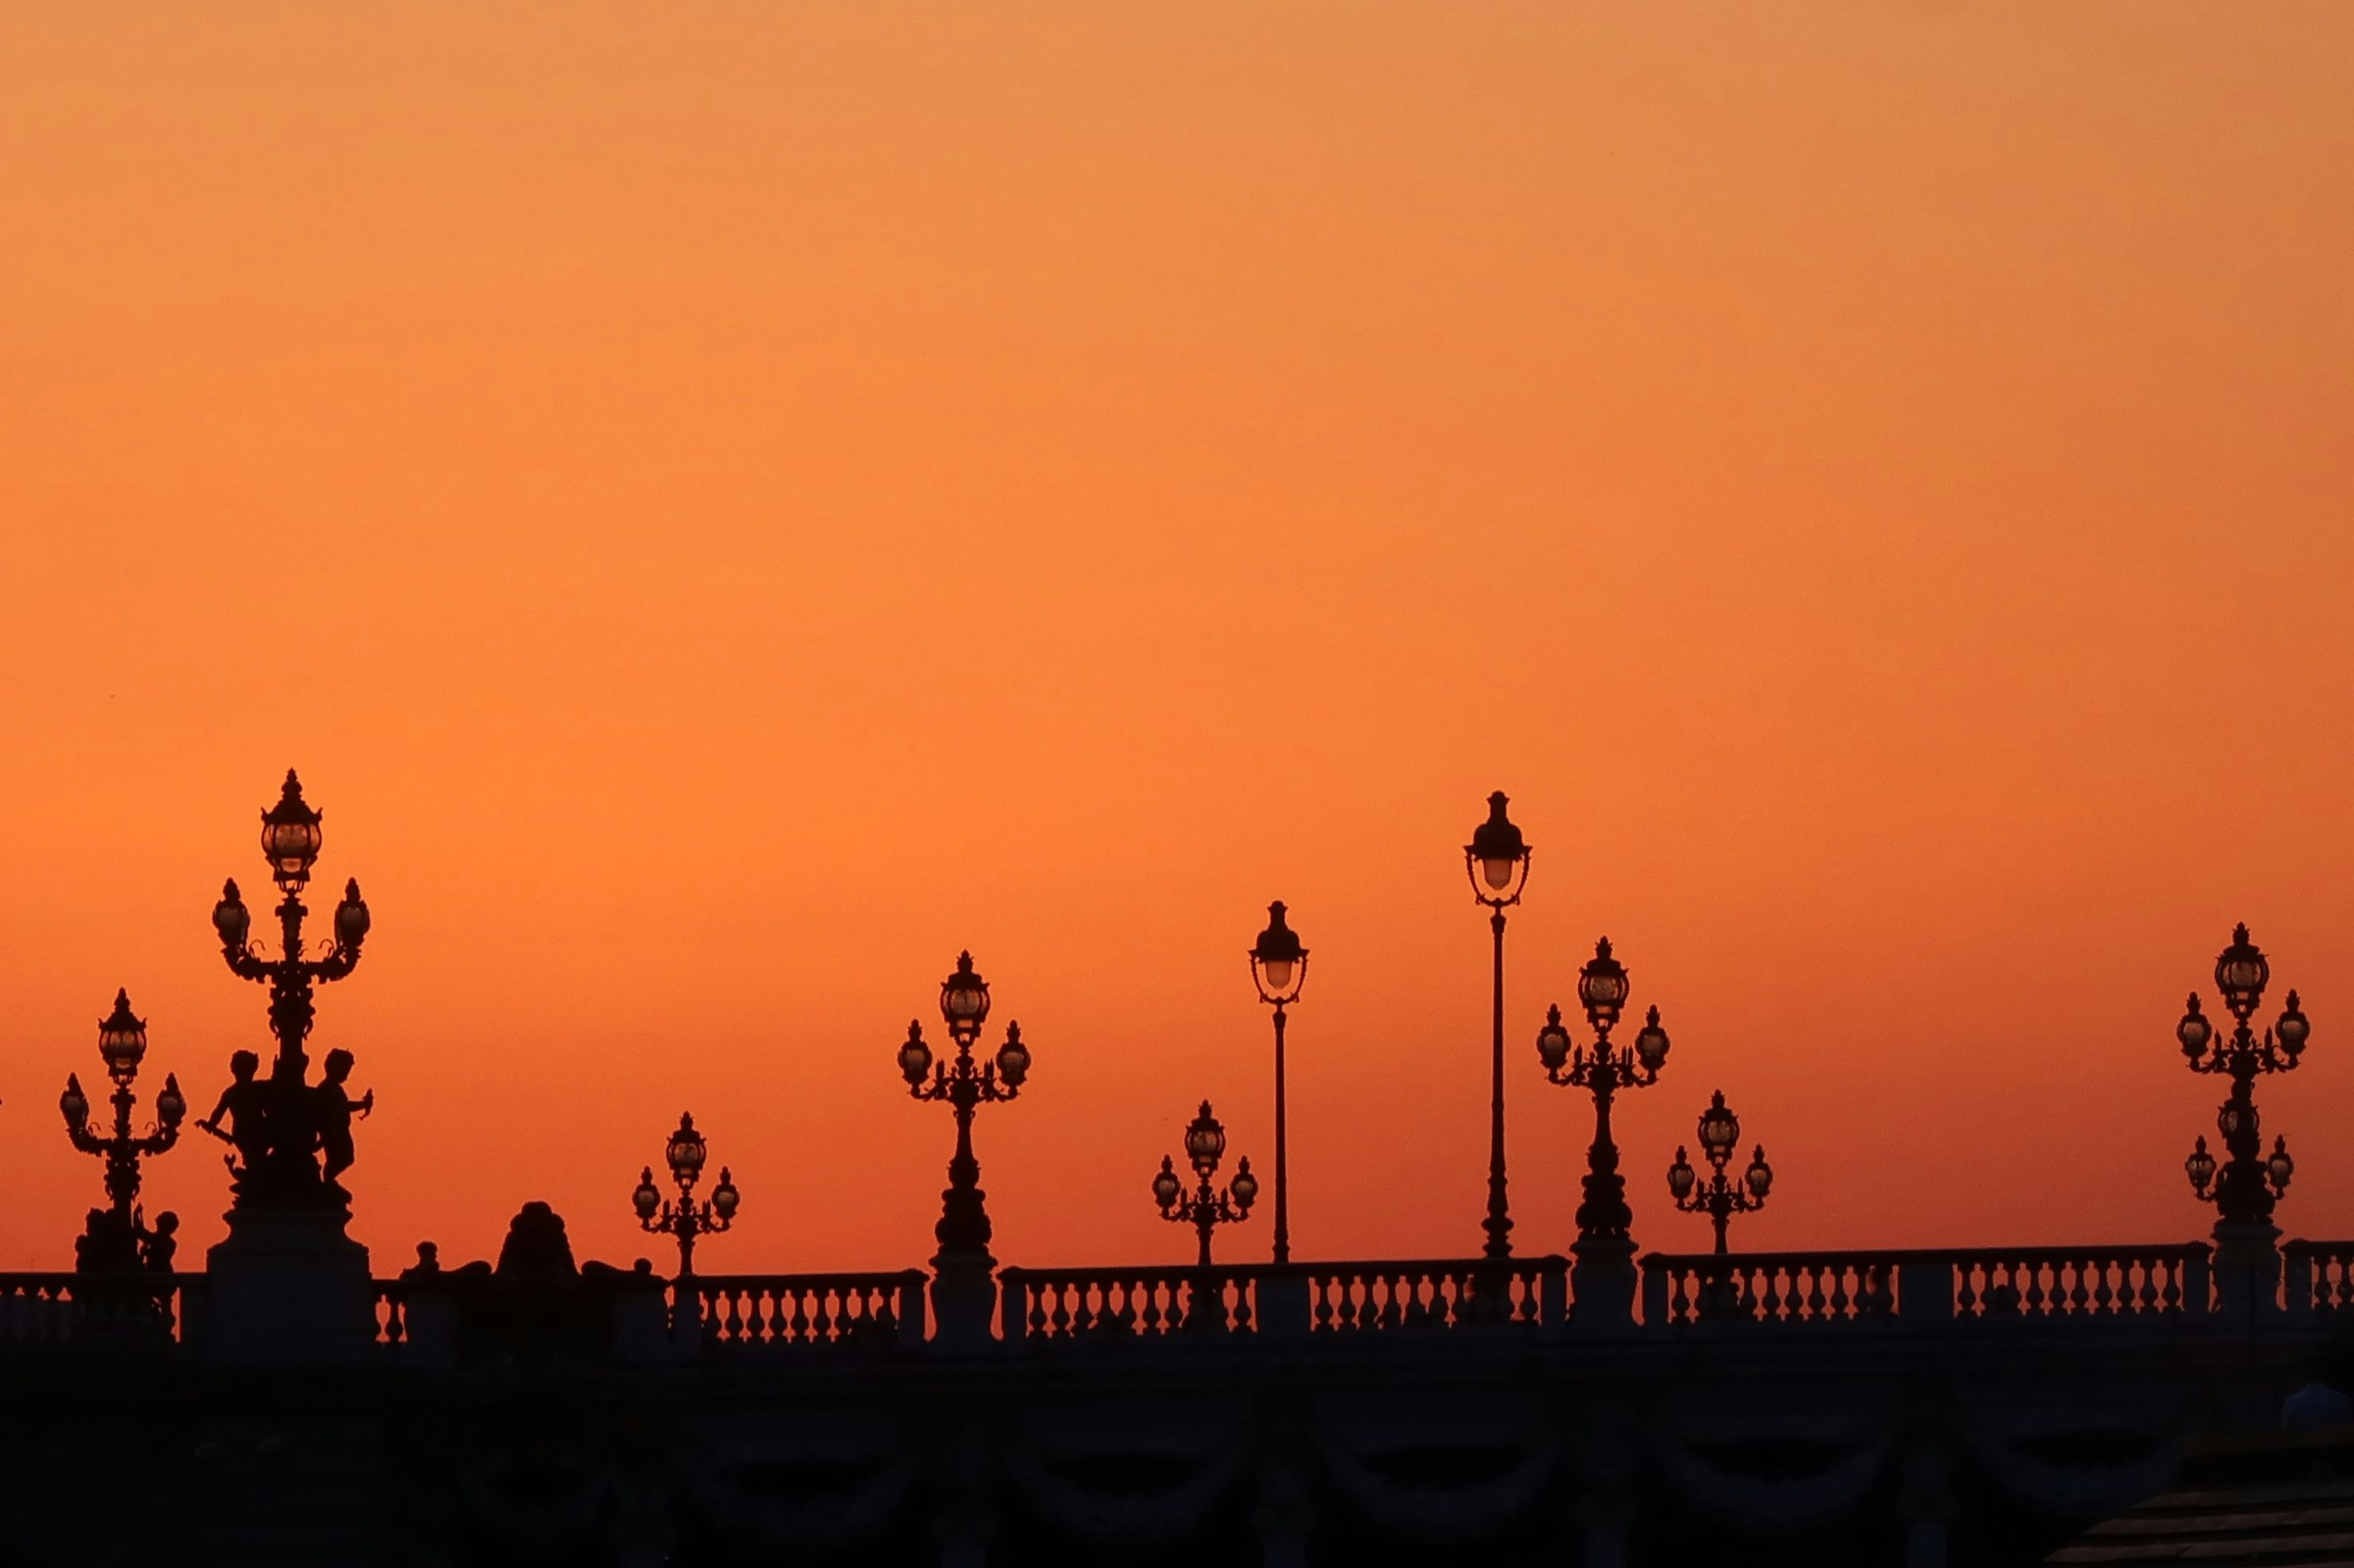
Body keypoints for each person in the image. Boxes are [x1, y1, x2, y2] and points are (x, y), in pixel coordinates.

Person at [196, 1050, 272, 1181]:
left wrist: (210, 1127)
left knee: (257, 1163)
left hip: (252, 1134)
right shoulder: (257, 1088)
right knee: (257, 1163)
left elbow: (213, 1121)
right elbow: (214, 1120)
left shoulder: (234, 1092)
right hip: (253, 1133)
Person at [313, 1048, 374, 1192]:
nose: (346, 1075)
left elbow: (344, 1106)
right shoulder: (327, 1089)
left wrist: (363, 1104)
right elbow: (342, 1107)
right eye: (345, 1070)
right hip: (333, 1132)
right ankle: (328, 1180)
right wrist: (363, 1105)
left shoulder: (335, 1089)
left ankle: (329, 1180)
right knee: (339, 1157)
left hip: (340, 1131)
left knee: (346, 1157)